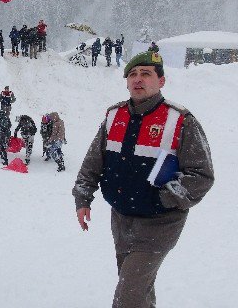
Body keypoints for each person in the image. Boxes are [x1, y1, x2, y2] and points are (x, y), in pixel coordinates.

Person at [72, 51, 214, 307]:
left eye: (146, 74)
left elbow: (202, 176)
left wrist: (162, 197)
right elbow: (93, 161)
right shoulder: (114, 116)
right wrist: (83, 196)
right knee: (138, 288)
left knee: (129, 293)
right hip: (121, 218)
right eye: (133, 74)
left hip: (160, 224)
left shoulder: (181, 120)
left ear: (161, 81)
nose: (138, 79)